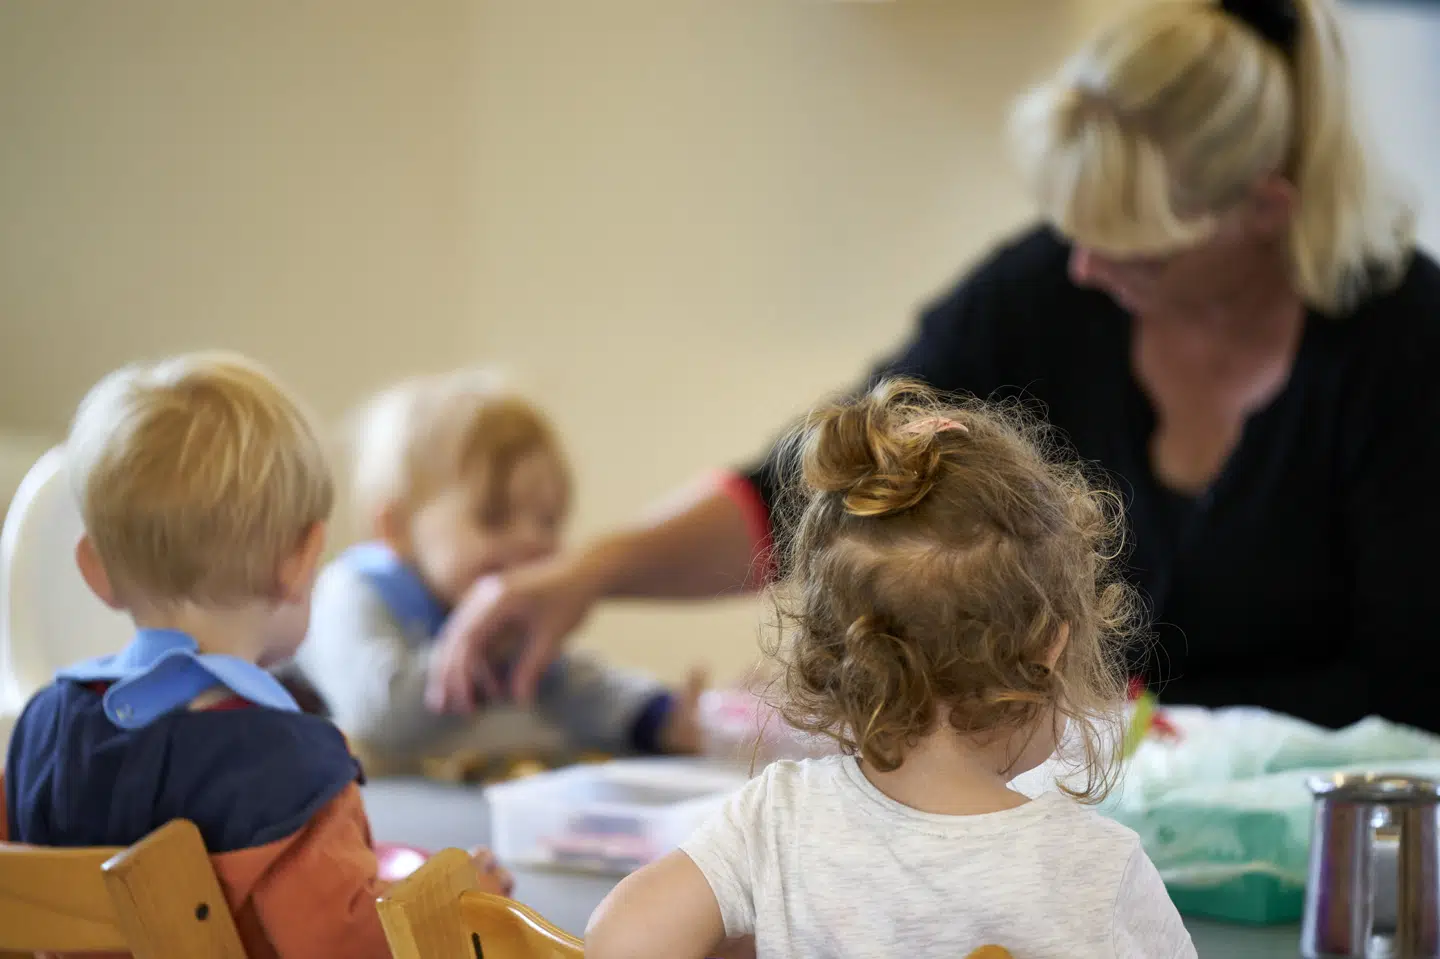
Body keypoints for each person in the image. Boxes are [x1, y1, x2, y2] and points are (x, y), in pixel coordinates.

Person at [429, 0, 1440, 732]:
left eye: (1136, 248)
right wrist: (590, 571)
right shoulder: (1050, 293)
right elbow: (822, 476)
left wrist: (1121, 721)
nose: (1087, 269)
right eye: (1075, 229)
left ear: (1264, 212)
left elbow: (1413, 696)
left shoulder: (1405, 347)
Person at [585, 380, 1196, 959]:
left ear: (839, 651)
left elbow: (622, 935)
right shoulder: (1096, 870)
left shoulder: (780, 817)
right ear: (1048, 648)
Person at [0, 354, 511, 958]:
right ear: (301, 561)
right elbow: (348, 947)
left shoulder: (43, 724)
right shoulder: (289, 770)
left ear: (96, 570)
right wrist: (459, 904)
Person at [295, 370, 703, 776]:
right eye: (494, 518)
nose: (530, 541)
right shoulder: (353, 592)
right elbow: (379, 715)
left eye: (548, 522)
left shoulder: (507, 617)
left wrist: (657, 714)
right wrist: (484, 647)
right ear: (397, 528)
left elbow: (570, 683)